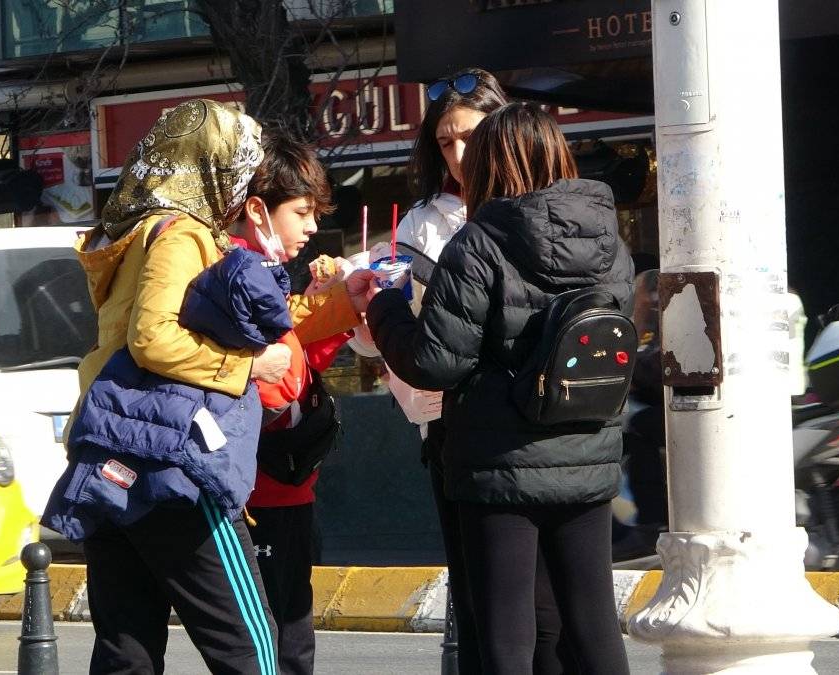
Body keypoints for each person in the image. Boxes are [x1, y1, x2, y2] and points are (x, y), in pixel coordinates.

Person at [70, 99, 371, 674]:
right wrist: (245, 369)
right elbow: (152, 340)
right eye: (237, 159)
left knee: (125, 650)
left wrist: (329, 309)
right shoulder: (180, 234)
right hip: (171, 463)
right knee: (254, 649)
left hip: (109, 453)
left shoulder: (136, 234)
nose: (242, 174)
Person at [366, 103, 633, 674]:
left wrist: (385, 306)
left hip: (499, 463)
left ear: (491, 163)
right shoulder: (612, 242)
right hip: (588, 449)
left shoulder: (479, 241)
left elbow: (434, 362)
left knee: (504, 633)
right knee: (591, 621)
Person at [227, 131, 354, 675]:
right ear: (258, 210)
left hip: (286, 479)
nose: (311, 227)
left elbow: (297, 362)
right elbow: (277, 381)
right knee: (276, 633)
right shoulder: (237, 271)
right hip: (259, 483)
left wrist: (333, 309)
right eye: (301, 212)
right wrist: (328, 311)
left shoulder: (265, 274)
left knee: (287, 624)